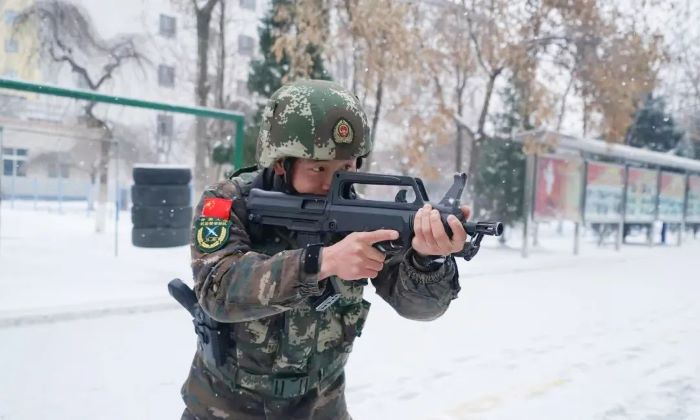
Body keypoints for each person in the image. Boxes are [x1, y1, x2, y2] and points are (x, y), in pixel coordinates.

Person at [179, 79, 470, 420]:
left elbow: (419, 308)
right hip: (225, 408)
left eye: (345, 168)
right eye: (318, 168)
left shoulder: (359, 217)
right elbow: (217, 289)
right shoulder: (226, 202)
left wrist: (427, 260)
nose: (331, 183)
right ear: (280, 163)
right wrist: (321, 262)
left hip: (322, 407)